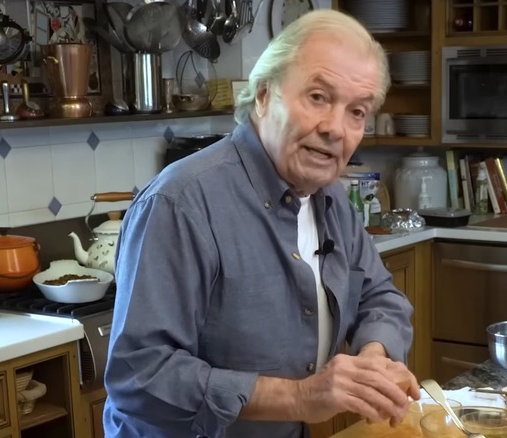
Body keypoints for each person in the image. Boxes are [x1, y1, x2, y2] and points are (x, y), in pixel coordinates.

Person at [102, 8, 420, 438]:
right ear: (265, 94)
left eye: (357, 112)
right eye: (318, 97)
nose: (336, 129)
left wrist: (374, 358)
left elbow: (379, 296)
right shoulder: (180, 203)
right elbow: (141, 377)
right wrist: (300, 398)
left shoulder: (330, 198)